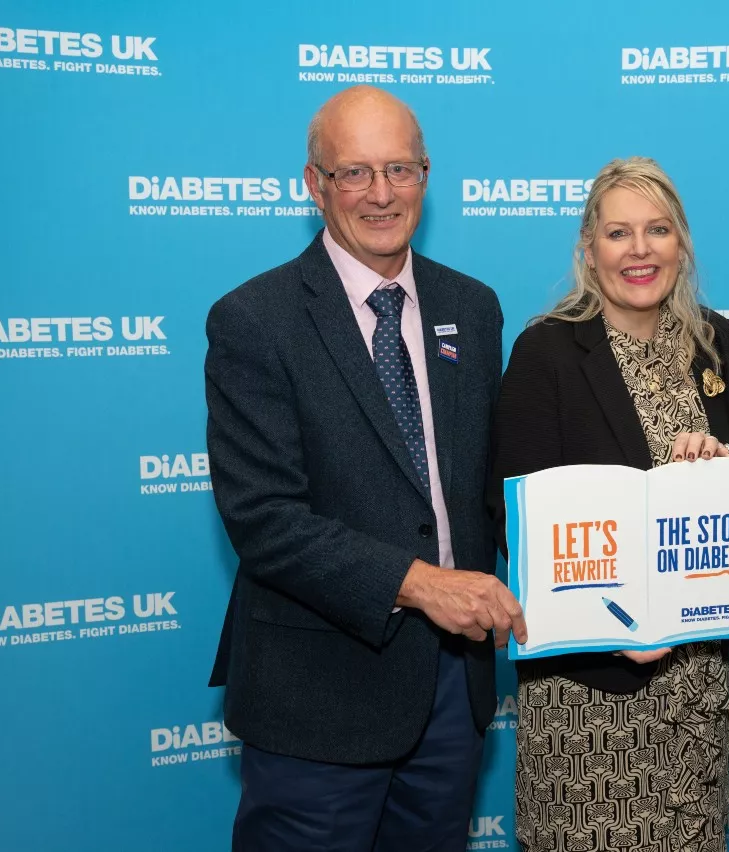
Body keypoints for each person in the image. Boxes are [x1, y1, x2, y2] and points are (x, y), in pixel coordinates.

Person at [204, 85, 526, 852]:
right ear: (314, 184)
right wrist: (423, 584)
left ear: (426, 175)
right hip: (318, 696)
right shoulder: (254, 319)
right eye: (354, 173)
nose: (381, 195)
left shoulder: (471, 308)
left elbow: (494, 489)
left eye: (401, 170)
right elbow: (265, 521)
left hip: (451, 694)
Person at [488, 156, 729, 852]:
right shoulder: (547, 352)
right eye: (618, 232)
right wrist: (615, 633)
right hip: (590, 700)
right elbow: (524, 523)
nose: (639, 250)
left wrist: (721, 472)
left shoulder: (717, 343)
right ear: (587, 249)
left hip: (695, 687)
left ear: (682, 242)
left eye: (657, 230)